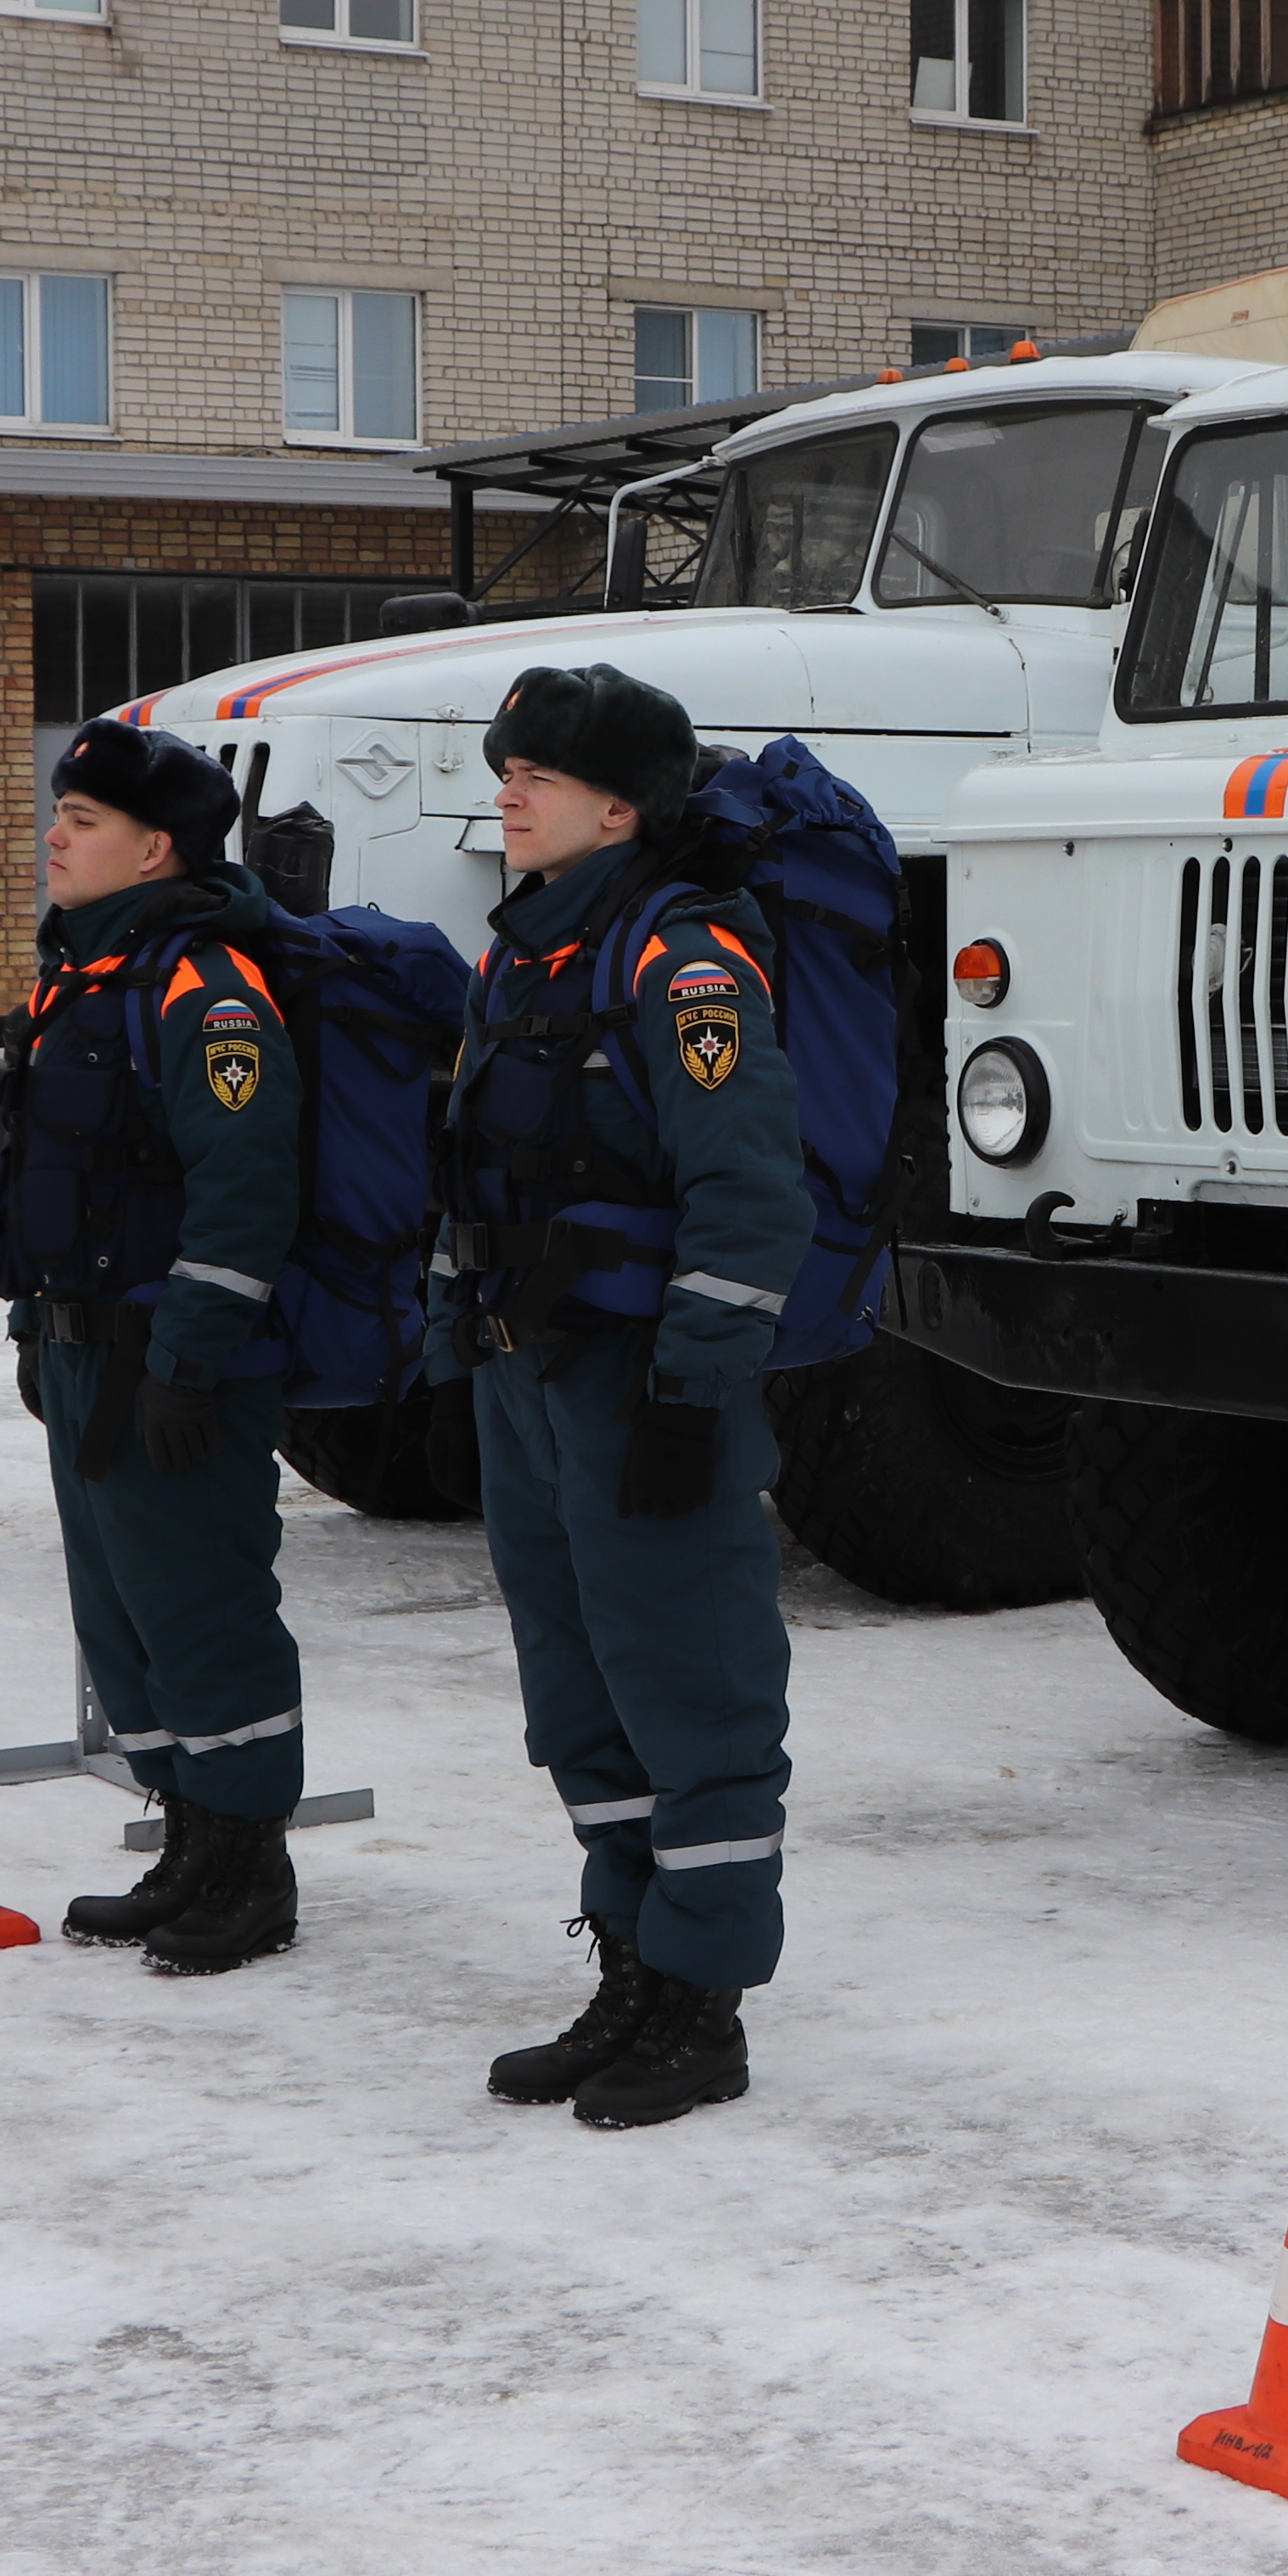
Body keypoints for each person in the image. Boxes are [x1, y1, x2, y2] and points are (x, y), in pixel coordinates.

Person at [434, 664, 809, 2130]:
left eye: (539, 771)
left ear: (622, 806)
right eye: (507, 765)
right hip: (531, 1372)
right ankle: (634, 1965)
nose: (509, 788)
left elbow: (747, 1187)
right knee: (578, 1690)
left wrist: (690, 1391)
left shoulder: (685, 955)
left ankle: (702, 2003)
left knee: (690, 1682)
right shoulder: (525, 949)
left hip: (644, 1380)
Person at [0, 721, 312, 1976]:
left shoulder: (203, 986)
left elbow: (244, 1187)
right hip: (84, 1351)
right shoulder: (87, 972)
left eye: (83, 820)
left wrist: (193, 1354)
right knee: (122, 1619)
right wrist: (33, 1324)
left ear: (156, 846)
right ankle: (190, 1837)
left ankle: (249, 1862)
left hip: (173, 1358)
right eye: (58, 812)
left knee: (202, 1607)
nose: (53, 836)